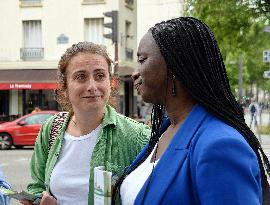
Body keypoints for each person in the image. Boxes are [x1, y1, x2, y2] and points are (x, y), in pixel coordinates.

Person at [112, 17, 270, 205]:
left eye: (142, 60)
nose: (135, 73)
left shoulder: (219, 145)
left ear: (174, 66)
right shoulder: (164, 130)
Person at [20, 42, 150, 205]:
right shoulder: (52, 128)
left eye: (100, 76)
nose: (92, 86)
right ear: (65, 88)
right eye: (81, 77)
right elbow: (37, 185)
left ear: (111, 82)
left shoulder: (139, 137)